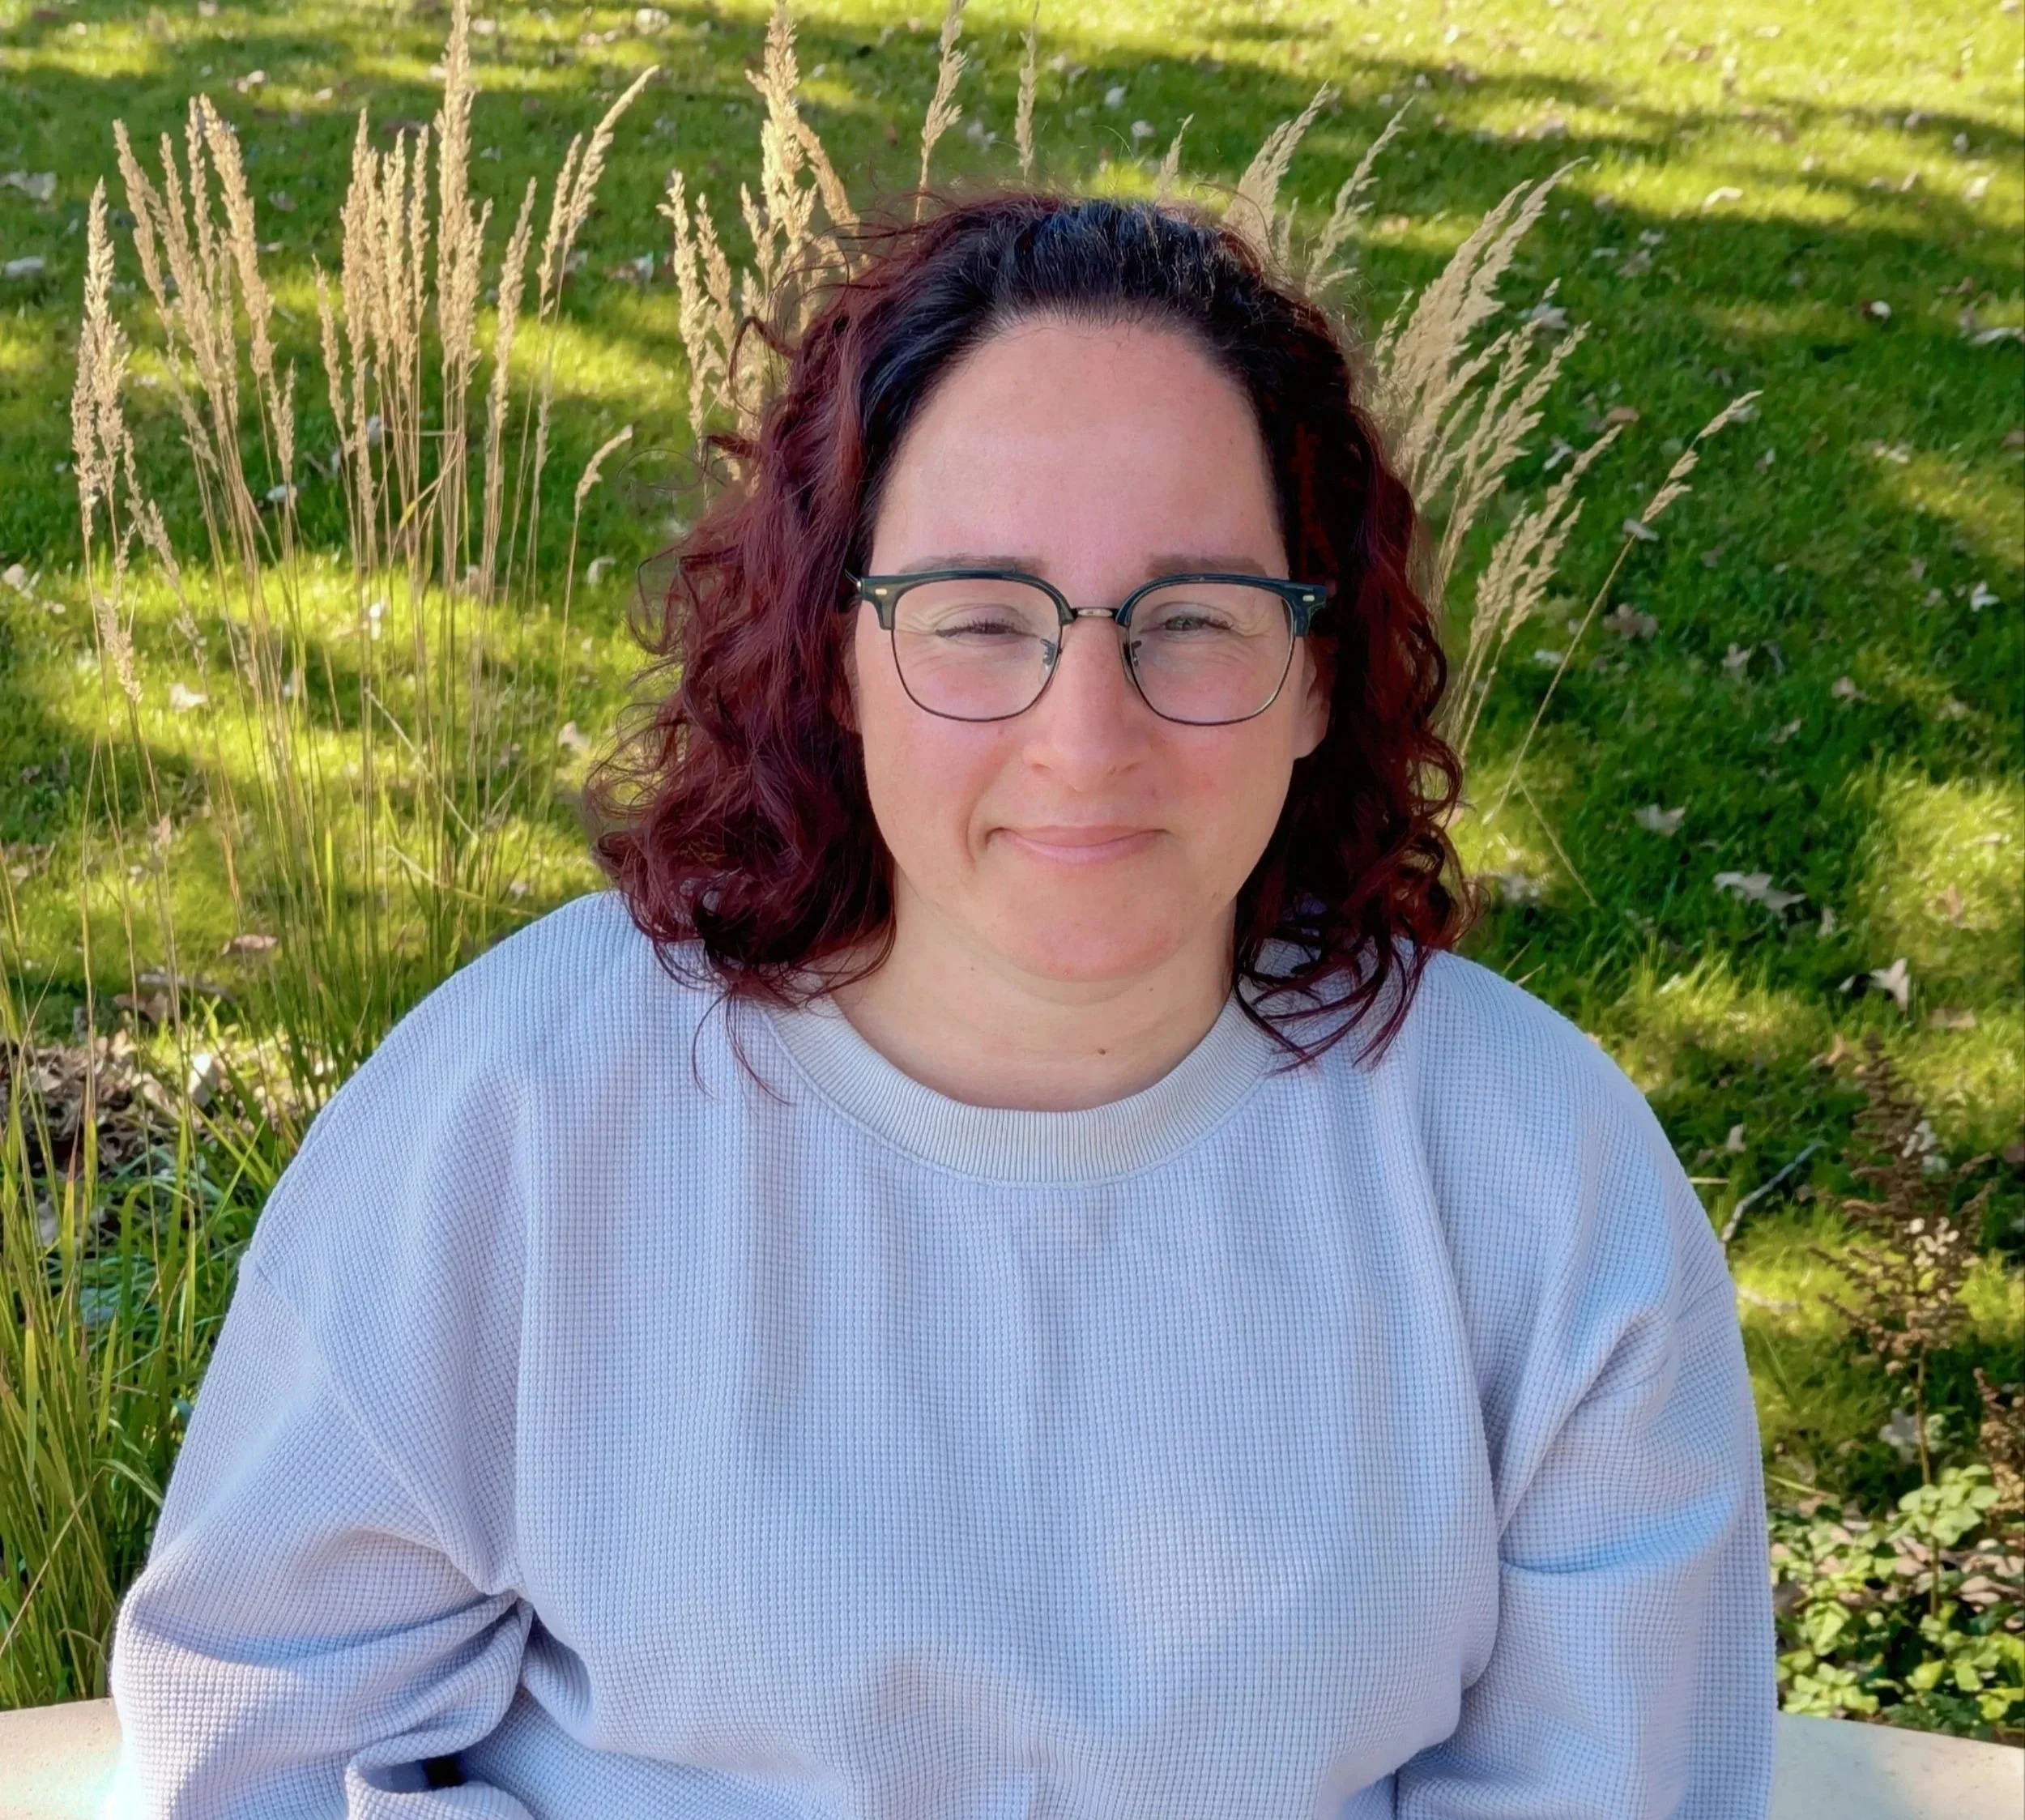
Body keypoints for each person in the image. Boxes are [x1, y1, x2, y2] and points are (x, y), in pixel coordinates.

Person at [102, 191, 1776, 1818]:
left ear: (1315, 674)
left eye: (1194, 619)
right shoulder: (525, 1109)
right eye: (980, 617)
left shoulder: (1535, 1178)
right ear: (836, 655)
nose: (1085, 737)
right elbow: (264, 1728)